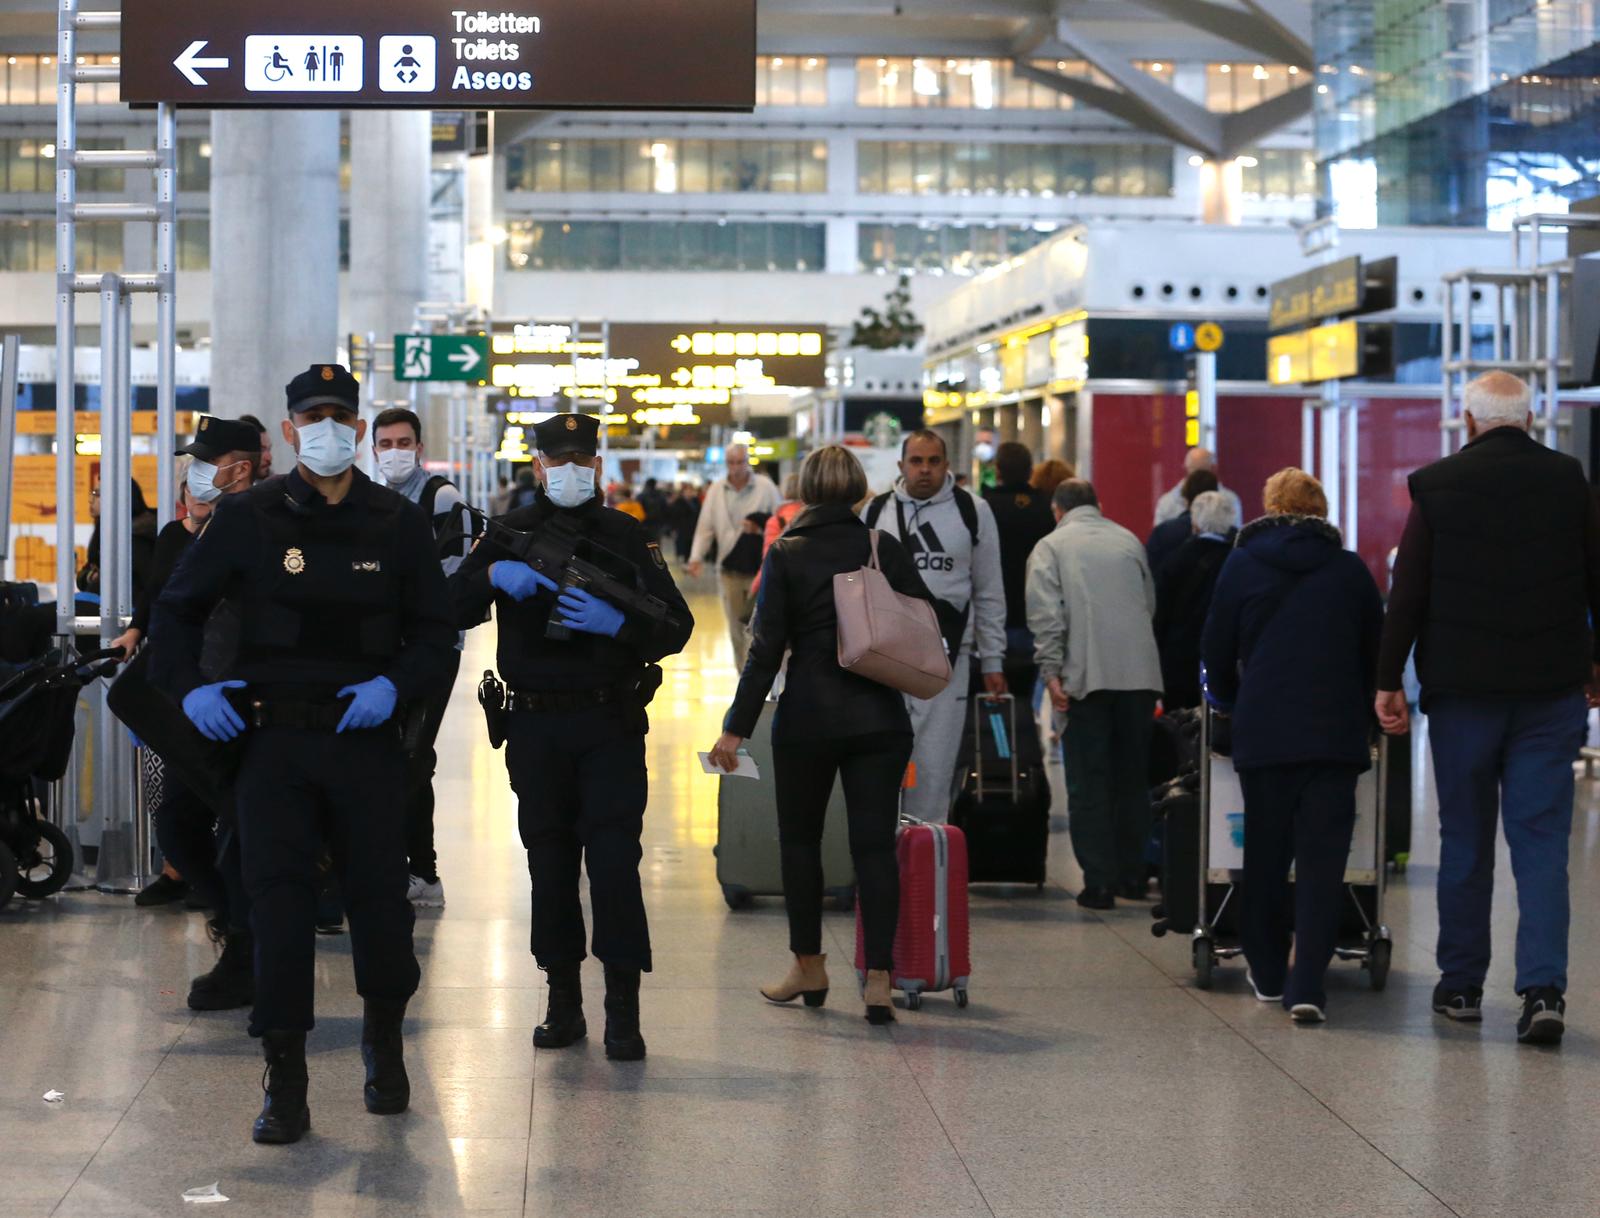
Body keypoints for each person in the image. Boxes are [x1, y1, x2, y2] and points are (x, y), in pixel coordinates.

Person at [152, 365, 456, 1144]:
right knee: (278, 907)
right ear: (289, 432)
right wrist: (192, 689)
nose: (326, 429)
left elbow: (433, 634)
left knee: (381, 907)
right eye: (311, 417)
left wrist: (396, 683)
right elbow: (178, 611)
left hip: (364, 742)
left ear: (355, 430)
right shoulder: (248, 516)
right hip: (273, 743)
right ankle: (284, 1079)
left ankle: (384, 1048)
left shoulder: (396, 520)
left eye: (338, 417)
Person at [450, 412, 692, 1062]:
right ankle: (562, 1000)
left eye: (580, 459)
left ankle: (622, 1009)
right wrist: (491, 578)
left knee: (614, 864)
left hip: (608, 722)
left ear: (598, 467)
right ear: (538, 467)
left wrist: (620, 624)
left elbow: (677, 626)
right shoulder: (513, 534)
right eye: (557, 460)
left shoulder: (625, 534)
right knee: (549, 864)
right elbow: (445, 605)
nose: (569, 470)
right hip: (533, 724)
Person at [1375, 371, 1600, 1046]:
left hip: (1463, 694)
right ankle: (1542, 991)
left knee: (1466, 841)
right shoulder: (1570, 480)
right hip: (1549, 692)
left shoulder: (1437, 485)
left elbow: (1408, 590)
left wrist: (1389, 679)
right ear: (1529, 417)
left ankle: (1462, 986)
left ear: (1467, 419)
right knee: (1540, 843)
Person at [708, 446, 934, 1025]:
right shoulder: (884, 547)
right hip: (881, 718)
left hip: (808, 719)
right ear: (860, 491)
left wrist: (735, 730)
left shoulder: (787, 554)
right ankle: (879, 979)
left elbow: (764, 653)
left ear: (803, 491)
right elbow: (924, 621)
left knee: (801, 844)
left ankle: (809, 965)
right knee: (873, 846)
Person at [1201, 469, 1381, 1022]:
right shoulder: (1350, 571)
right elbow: (1374, 650)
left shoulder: (1242, 563)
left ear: (1269, 506)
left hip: (1266, 730)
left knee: (1265, 856)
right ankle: (1309, 986)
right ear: (1322, 512)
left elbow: (1215, 646)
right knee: (1324, 864)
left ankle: (1269, 971)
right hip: (1334, 735)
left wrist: (1232, 700)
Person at [127, 419, 265, 1011]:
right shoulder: (194, 532)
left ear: (244, 465)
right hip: (197, 700)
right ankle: (238, 927)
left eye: (212, 461)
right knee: (179, 825)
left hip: (252, 705)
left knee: (240, 836)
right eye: (197, 462)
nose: (200, 472)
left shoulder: (268, 523)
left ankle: (250, 950)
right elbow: (170, 605)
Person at [1026, 479, 1162, 909]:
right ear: (1097, 505)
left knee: (1088, 781)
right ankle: (1132, 876)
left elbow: (1047, 617)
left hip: (1086, 677)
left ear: (1056, 510)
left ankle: (1099, 883)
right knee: (1132, 780)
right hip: (1139, 677)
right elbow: (1149, 604)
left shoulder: (1051, 547)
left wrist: (1051, 673)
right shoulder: (1128, 541)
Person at [863, 430, 1006, 822]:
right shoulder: (875, 513)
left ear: (947, 465)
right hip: (884, 661)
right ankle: (879, 861)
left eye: (933, 461)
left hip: (947, 660)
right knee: (881, 765)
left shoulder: (972, 512)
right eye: (916, 461)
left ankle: (926, 860)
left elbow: (990, 590)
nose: (925, 470)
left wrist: (993, 660)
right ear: (901, 465)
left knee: (934, 766)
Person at [372, 407, 475, 909]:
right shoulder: (369, 500)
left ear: (419, 446)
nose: (394, 452)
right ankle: (412, 867)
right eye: (385, 443)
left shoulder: (441, 499)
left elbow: (452, 579)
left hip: (432, 651)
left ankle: (419, 872)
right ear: (373, 449)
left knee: (411, 755)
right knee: (400, 758)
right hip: (382, 651)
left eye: (403, 442)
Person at [688, 445, 781, 669]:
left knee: (759, 627)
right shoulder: (717, 490)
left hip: (760, 569)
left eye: (740, 462)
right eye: (731, 462)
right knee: (735, 628)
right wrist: (696, 558)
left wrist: (759, 529)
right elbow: (705, 527)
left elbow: (779, 523)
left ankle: (758, 677)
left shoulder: (765, 487)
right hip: (729, 569)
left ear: (748, 461)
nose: (736, 468)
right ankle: (744, 676)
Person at [983, 442, 1055, 699]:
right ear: (1030, 471)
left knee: (995, 695)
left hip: (996, 618)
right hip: (1039, 615)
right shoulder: (1047, 507)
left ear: (998, 471)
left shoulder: (984, 507)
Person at [1153, 489, 1238, 710]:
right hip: (1224, 659)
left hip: (1180, 660)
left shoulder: (1177, 559)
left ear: (1195, 523)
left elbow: (1161, 613)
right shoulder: (1238, 560)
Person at [79, 477, 158, 605]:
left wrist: (99, 579)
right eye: (93, 493)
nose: (91, 500)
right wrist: (91, 577)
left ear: (119, 497)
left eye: (97, 494)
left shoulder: (139, 537)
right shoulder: (104, 528)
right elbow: (86, 571)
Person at [1146, 468, 1219, 580]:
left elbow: (1150, 577)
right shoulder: (1230, 535)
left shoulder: (1162, 533)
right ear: (1217, 495)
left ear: (1185, 497)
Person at [1153, 447, 1242, 528]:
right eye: (1195, 472)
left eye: (1201, 473)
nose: (1198, 480)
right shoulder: (1167, 503)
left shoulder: (1230, 500)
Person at [238, 413, 274, 479]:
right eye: (261, 450)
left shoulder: (278, 486)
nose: (269, 458)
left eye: (269, 449)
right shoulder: (222, 487)